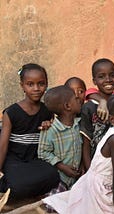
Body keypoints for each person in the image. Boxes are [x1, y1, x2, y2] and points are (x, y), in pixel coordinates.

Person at [0, 63, 60, 200]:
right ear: (22, 86)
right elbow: (3, 146)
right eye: (30, 84)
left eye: (41, 84)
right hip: (13, 159)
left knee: (53, 176)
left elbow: (53, 136)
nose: (36, 89)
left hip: (34, 159)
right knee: (17, 186)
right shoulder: (11, 112)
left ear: (46, 84)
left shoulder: (47, 111)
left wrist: (49, 126)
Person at [38, 85, 83, 191]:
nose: (79, 100)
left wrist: (81, 166)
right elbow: (43, 152)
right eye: (76, 99)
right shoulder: (50, 130)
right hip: (59, 179)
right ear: (67, 106)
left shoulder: (79, 124)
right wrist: (62, 166)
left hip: (77, 177)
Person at [80, 58, 114, 171]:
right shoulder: (89, 108)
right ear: (94, 81)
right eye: (101, 76)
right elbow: (86, 145)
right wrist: (90, 171)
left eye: (112, 75)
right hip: (97, 165)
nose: (108, 80)